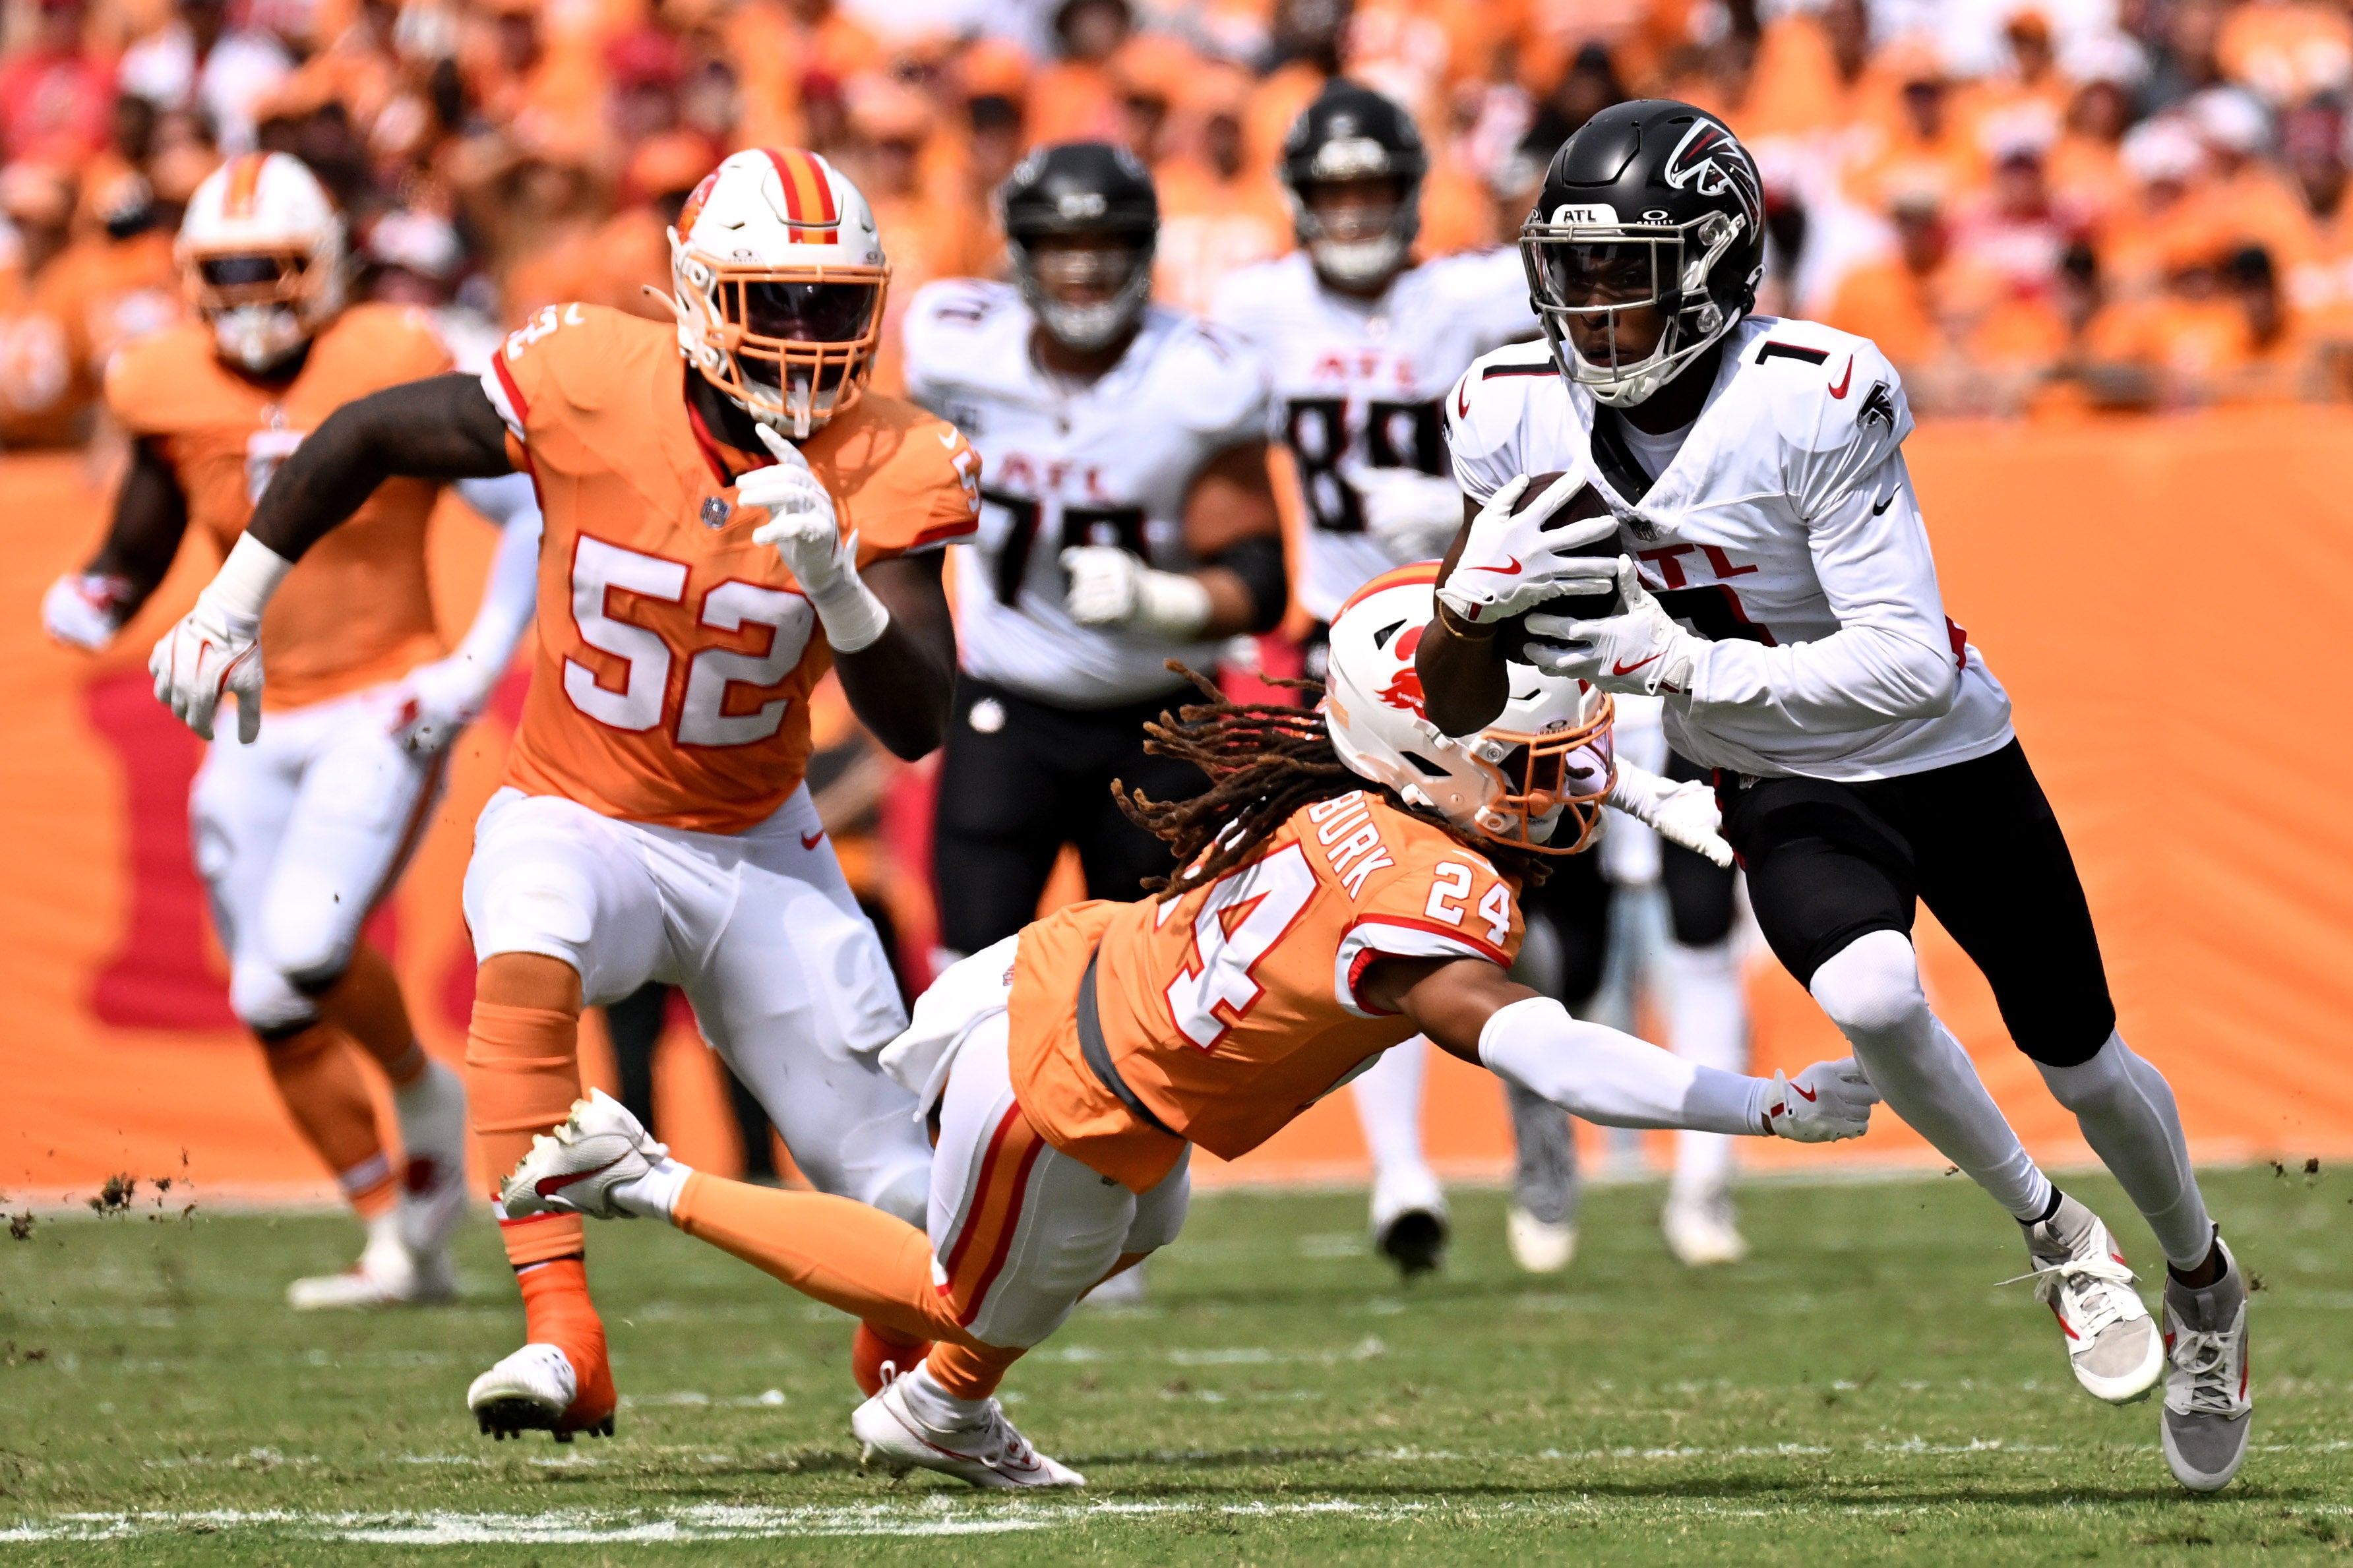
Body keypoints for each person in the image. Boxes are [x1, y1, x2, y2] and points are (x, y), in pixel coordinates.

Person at [495, 563, 1881, 1489]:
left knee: (1141, 1232)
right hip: (1070, 1084)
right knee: (944, 1290)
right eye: (1532, 760)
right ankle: (642, 1177)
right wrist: (1749, 1103)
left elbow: (1445, 703)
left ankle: (949, 1398)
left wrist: (1603, 734)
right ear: (1427, 757)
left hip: (1074, 992)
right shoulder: (1430, 885)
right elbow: (1549, 1052)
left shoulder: (1356, 793)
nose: (1569, 776)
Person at [1417, 100, 2251, 1493]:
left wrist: (1680, 665)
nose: (1592, 306)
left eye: (1625, 271)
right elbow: (1468, 689)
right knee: (1866, 994)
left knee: (2081, 1060)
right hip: (1775, 775)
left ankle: (2203, 1279)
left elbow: (1905, 666)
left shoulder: (1808, 391)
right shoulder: (1506, 410)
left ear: (1715, 264)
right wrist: (1463, 612)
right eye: (1572, 271)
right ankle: (2051, 1236)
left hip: (1940, 756)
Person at [144, 147, 981, 1442]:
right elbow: (368, 432)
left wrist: (840, 583)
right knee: (523, 936)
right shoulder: (591, 374)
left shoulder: (898, 454)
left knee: (926, 1215)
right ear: (700, 297)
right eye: (777, 302)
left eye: (833, 305)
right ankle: (562, 1342)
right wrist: (232, 599)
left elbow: (918, 719)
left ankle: (892, 1363)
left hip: (760, 847)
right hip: (576, 811)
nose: (809, 338)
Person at [43, 152, 537, 1308]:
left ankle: (422, 1095)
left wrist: (474, 662)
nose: (251, 295)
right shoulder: (160, 380)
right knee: (268, 996)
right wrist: (103, 590)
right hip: (259, 720)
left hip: (386, 699)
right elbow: (148, 524)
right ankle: (391, 1233)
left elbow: (529, 517)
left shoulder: (394, 353)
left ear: (326, 268)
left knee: (308, 953)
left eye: (273, 269)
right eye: (225, 273)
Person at [1213, 80, 1539, 1277]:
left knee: (1545, 904)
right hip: (1346, 644)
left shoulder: (1470, 293)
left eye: (1371, 186)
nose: (1353, 210)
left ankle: (1538, 1118)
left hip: (1488, 630)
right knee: (1384, 904)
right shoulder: (1250, 310)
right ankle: (1401, 1167)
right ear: (1299, 198)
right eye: (1332, 188)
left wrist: (1478, 507)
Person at [903, 140, 1284, 970]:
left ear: (1144, 251)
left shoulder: (1194, 377)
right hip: (1007, 701)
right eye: (1061, 246)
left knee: (1156, 985)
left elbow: (1258, 581)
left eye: (1106, 246)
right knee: (964, 974)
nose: (1083, 269)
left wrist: (1161, 602)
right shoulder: (954, 346)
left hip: (1157, 718)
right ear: (1021, 252)